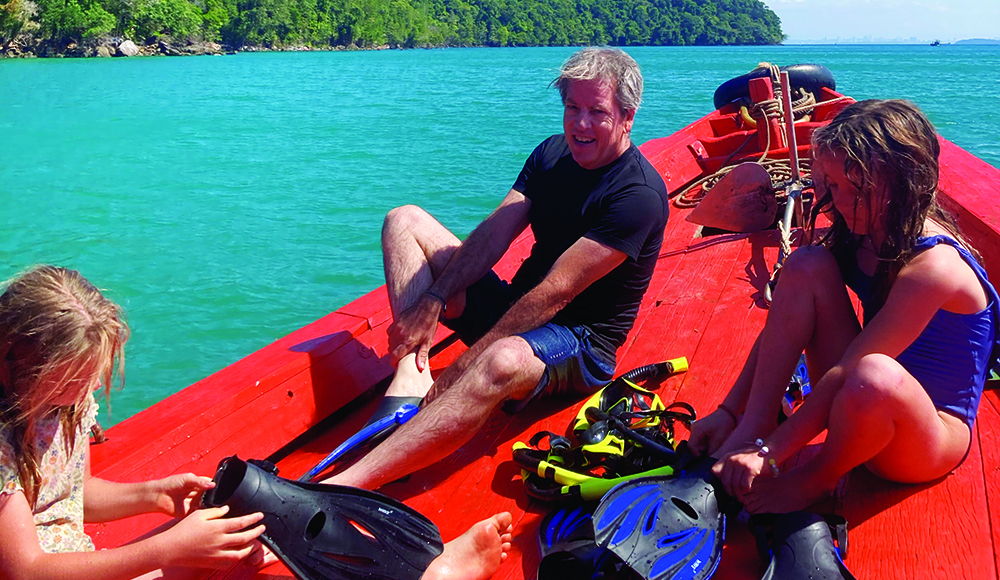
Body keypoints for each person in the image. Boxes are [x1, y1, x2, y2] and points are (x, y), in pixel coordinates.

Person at [0, 265, 514, 580]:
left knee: (253, 531)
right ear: (18, 365)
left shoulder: (55, 405)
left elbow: (67, 493)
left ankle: (418, 569)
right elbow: (26, 569)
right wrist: (164, 547)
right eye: (74, 380)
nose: (87, 391)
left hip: (73, 562)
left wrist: (154, 495)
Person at [324, 47, 669, 490]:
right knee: (404, 220)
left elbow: (556, 292)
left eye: (597, 112)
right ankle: (412, 372)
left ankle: (351, 483)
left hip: (579, 342)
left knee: (500, 358)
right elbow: (492, 236)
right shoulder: (550, 154)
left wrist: (466, 364)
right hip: (515, 306)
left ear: (627, 118)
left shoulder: (636, 195)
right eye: (572, 108)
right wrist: (432, 299)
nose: (580, 124)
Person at [689, 99, 998, 513]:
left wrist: (770, 454)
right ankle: (755, 423)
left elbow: (850, 368)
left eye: (859, 190)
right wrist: (733, 412)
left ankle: (819, 477)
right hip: (857, 410)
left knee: (873, 372)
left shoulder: (934, 267)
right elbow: (784, 326)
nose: (842, 202)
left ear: (906, 182)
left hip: (921, 442)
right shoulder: (863, 231)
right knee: (805, 265)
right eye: (833, 185)